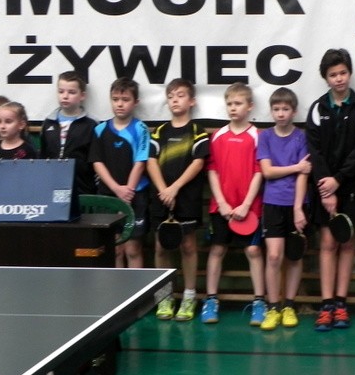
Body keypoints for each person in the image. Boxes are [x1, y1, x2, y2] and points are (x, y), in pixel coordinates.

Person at [306, 49, 355, 332]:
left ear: (350, 73)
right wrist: (327, 187)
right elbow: (314, 151)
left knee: (347, 242)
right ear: (326, 78)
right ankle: (326, 305)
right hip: (325, 187)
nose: (339, 78)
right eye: (333, 74)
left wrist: (340, 180)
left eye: (343, 73)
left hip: (353, 185)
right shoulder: (317, 108)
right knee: (327, 242)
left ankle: (341, 304)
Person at [203, 82, 266, 327]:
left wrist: (246, 205)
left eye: (238, 103)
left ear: (250, 106)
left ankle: (259, 302)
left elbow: (259, 172)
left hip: (249, 207)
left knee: (253, 251)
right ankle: (210, 300)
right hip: (221, 207)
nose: (233, 108)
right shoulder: (218, 136)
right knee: (217, 249)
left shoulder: (257, 136)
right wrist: (221, 202)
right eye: (229, 103)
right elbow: (212, 170)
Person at [148, 78, 210, 322]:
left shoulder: (197, 131)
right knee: (160, 246)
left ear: (191, 101)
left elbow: (198, 162)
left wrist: (175, 188)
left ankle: (189, 296)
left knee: (188, 246)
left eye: (181, 95)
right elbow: (151, 161)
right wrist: (164, 189)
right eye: (171, 96)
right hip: (161, 198)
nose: (175, 100)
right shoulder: (159, 132)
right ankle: (163, 297)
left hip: (186, 198)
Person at [257, 87, 311, 331]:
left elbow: (304, 175)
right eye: (276, 109)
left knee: (294, 255)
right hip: (272, 203)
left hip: (296, 204)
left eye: (285, 109)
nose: (280, 113)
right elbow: (267, 171)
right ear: (271, 111)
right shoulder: (266, 137)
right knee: (274, 256)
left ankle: (289, 305)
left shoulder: (301, 137)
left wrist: (298, 208)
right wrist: (295, 167)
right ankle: (273, 307)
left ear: (294, 111)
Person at [89, 77, 150, 268]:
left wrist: (127, 193)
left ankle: (137, 288)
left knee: (133, 249)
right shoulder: (100, 129)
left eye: (125, 99)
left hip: (135, 195)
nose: (120, 104)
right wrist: (116, 189)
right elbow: (97, 162)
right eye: (115, 99)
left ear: (135, 102)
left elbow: (140, 162)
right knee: (114, 248)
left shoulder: (140, 129)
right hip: (108, 195)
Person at [39, 71, 98, 195]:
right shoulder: (48, 123)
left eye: (71, 92)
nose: (65, 96)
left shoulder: (91, 125)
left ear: (82, 95)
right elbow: (43, 157)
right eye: (61, 91)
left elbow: (96, 161)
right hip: (52, 187)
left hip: (82, 188)